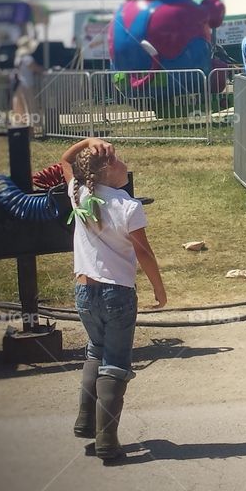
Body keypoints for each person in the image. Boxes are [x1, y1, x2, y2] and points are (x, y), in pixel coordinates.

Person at [60, 137, 167, 462]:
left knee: (95, 349)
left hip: (84, 291)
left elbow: (65, 161)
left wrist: (88, 142)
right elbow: (143, 252)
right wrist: (158, 289)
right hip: (117, 293)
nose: (125, 166)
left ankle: (86, 419)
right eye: (118, 161)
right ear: (106, 171)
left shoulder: (79, 192)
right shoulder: (127, 206)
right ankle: (107, 439)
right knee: (116, 363)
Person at [12, 36, 43, 126]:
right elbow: (35, 68)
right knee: (31, 106)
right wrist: (44, 70)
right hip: (28, 84)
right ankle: (33, 126)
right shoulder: (27, 58)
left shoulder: (18, 58)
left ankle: (21, 125)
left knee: (20, 107)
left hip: (20, 84)